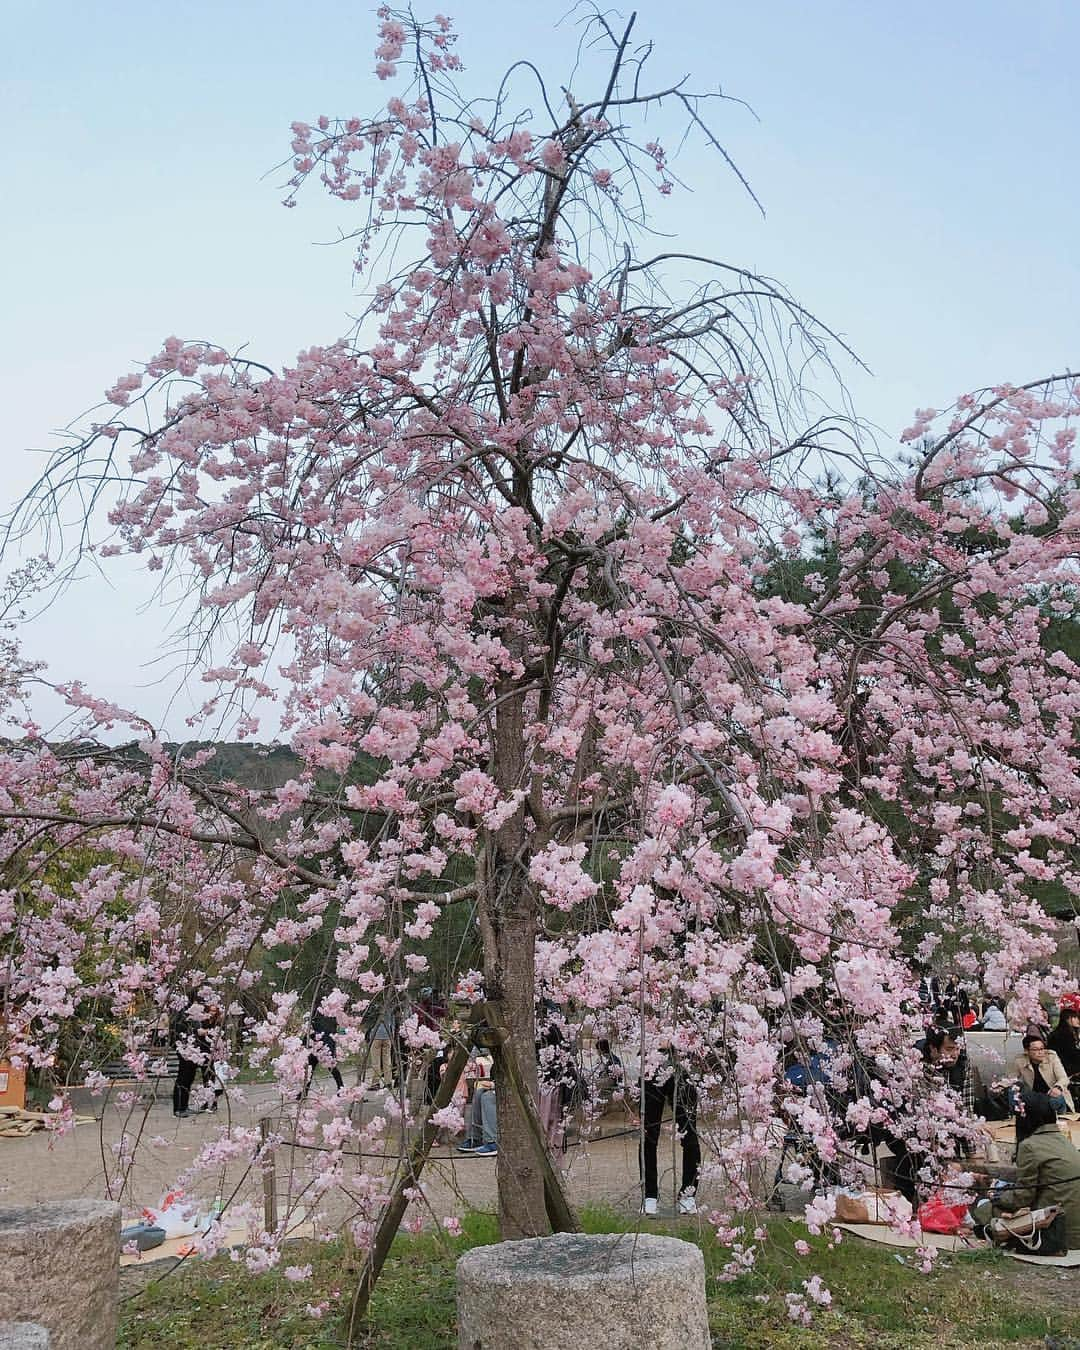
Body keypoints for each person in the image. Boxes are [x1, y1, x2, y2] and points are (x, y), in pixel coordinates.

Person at [994, 1093, 1080, 1252]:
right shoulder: (1065, 1142)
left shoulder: (1030, 1146)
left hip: (1056, 1234)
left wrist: (997, 1196)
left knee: (988, 1209)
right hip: (1074, 1230)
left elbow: (1023, 1197)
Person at [639, 1059, 700, 1217]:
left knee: (690, 1134)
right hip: (651, 1062)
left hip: (684, 1061)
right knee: (648, 1134)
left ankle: (688, 1193)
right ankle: (649, 1194)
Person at [1013, 1036, 1074, 1112]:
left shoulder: (1051, 1057)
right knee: (1013, 1092)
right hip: (1034, 1098)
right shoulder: (1020, 1060)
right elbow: (1011, 1079)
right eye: (1035, 1049)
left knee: (1055, 1101)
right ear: (1026, 1051)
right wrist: (1000, 1086)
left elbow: (1064, 1078)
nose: (1040, 1052)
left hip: (1053, 1096)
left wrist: (1058, 1087)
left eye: (1042, 1048)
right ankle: (1014, 1116)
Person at [171, 993, 206, 1119]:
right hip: (185, 1050)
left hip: (194, 1051)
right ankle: (178, 1108)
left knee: (189, 1078)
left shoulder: (195, 1015)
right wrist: (196, 1032)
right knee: (183, 1078)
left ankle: (184, 1106)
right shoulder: (183, 1014)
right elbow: (179, 1031)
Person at [301, 1009, 345, 1097]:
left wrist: (304, 1042)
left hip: (318, 1045)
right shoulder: (331, 1017)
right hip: (323, 1046)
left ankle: (304, 1092)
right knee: (328, 1068)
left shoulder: (315, 1016)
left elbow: (310, 1032)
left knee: (311, 1069)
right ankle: (341, 1087)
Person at [1047, 1000, 1080, 1090]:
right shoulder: (1064, 1035)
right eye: (1076, 1018)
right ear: (1068, 1019)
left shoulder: (1063, 1033)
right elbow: (1071, 1054)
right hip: (1063, 1067)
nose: (1078, 1020)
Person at [367, 1005, 395, 1089]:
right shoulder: (391, 1007)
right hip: (387, 1035)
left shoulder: (374, 1007)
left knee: (376, 1061)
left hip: (376, 1035)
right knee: (387, 1060)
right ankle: (388, 1082)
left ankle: (376, 1083)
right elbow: (393, 1022)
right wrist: (391, 1035)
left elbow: (369, 1022)